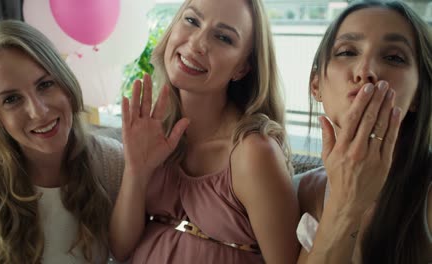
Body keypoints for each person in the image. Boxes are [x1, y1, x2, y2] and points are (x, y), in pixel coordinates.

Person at [109, 0, 299, 263]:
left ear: (242, 67)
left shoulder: (253, 153)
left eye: (223, 37)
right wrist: (136, 171)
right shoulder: (153, 130)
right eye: (191, 21)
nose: (197, 43)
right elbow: (120, 250)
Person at [0, 20, 124, 263]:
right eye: (11, 99)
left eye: (45, 84)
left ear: (66, 83)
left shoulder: (113, 163)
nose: (38, 112)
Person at [295, 1, 432, 263]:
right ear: (316, 85)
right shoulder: (296, 193)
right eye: (347, 52)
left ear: (418, 95)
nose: (366, 71)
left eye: (394, 57)